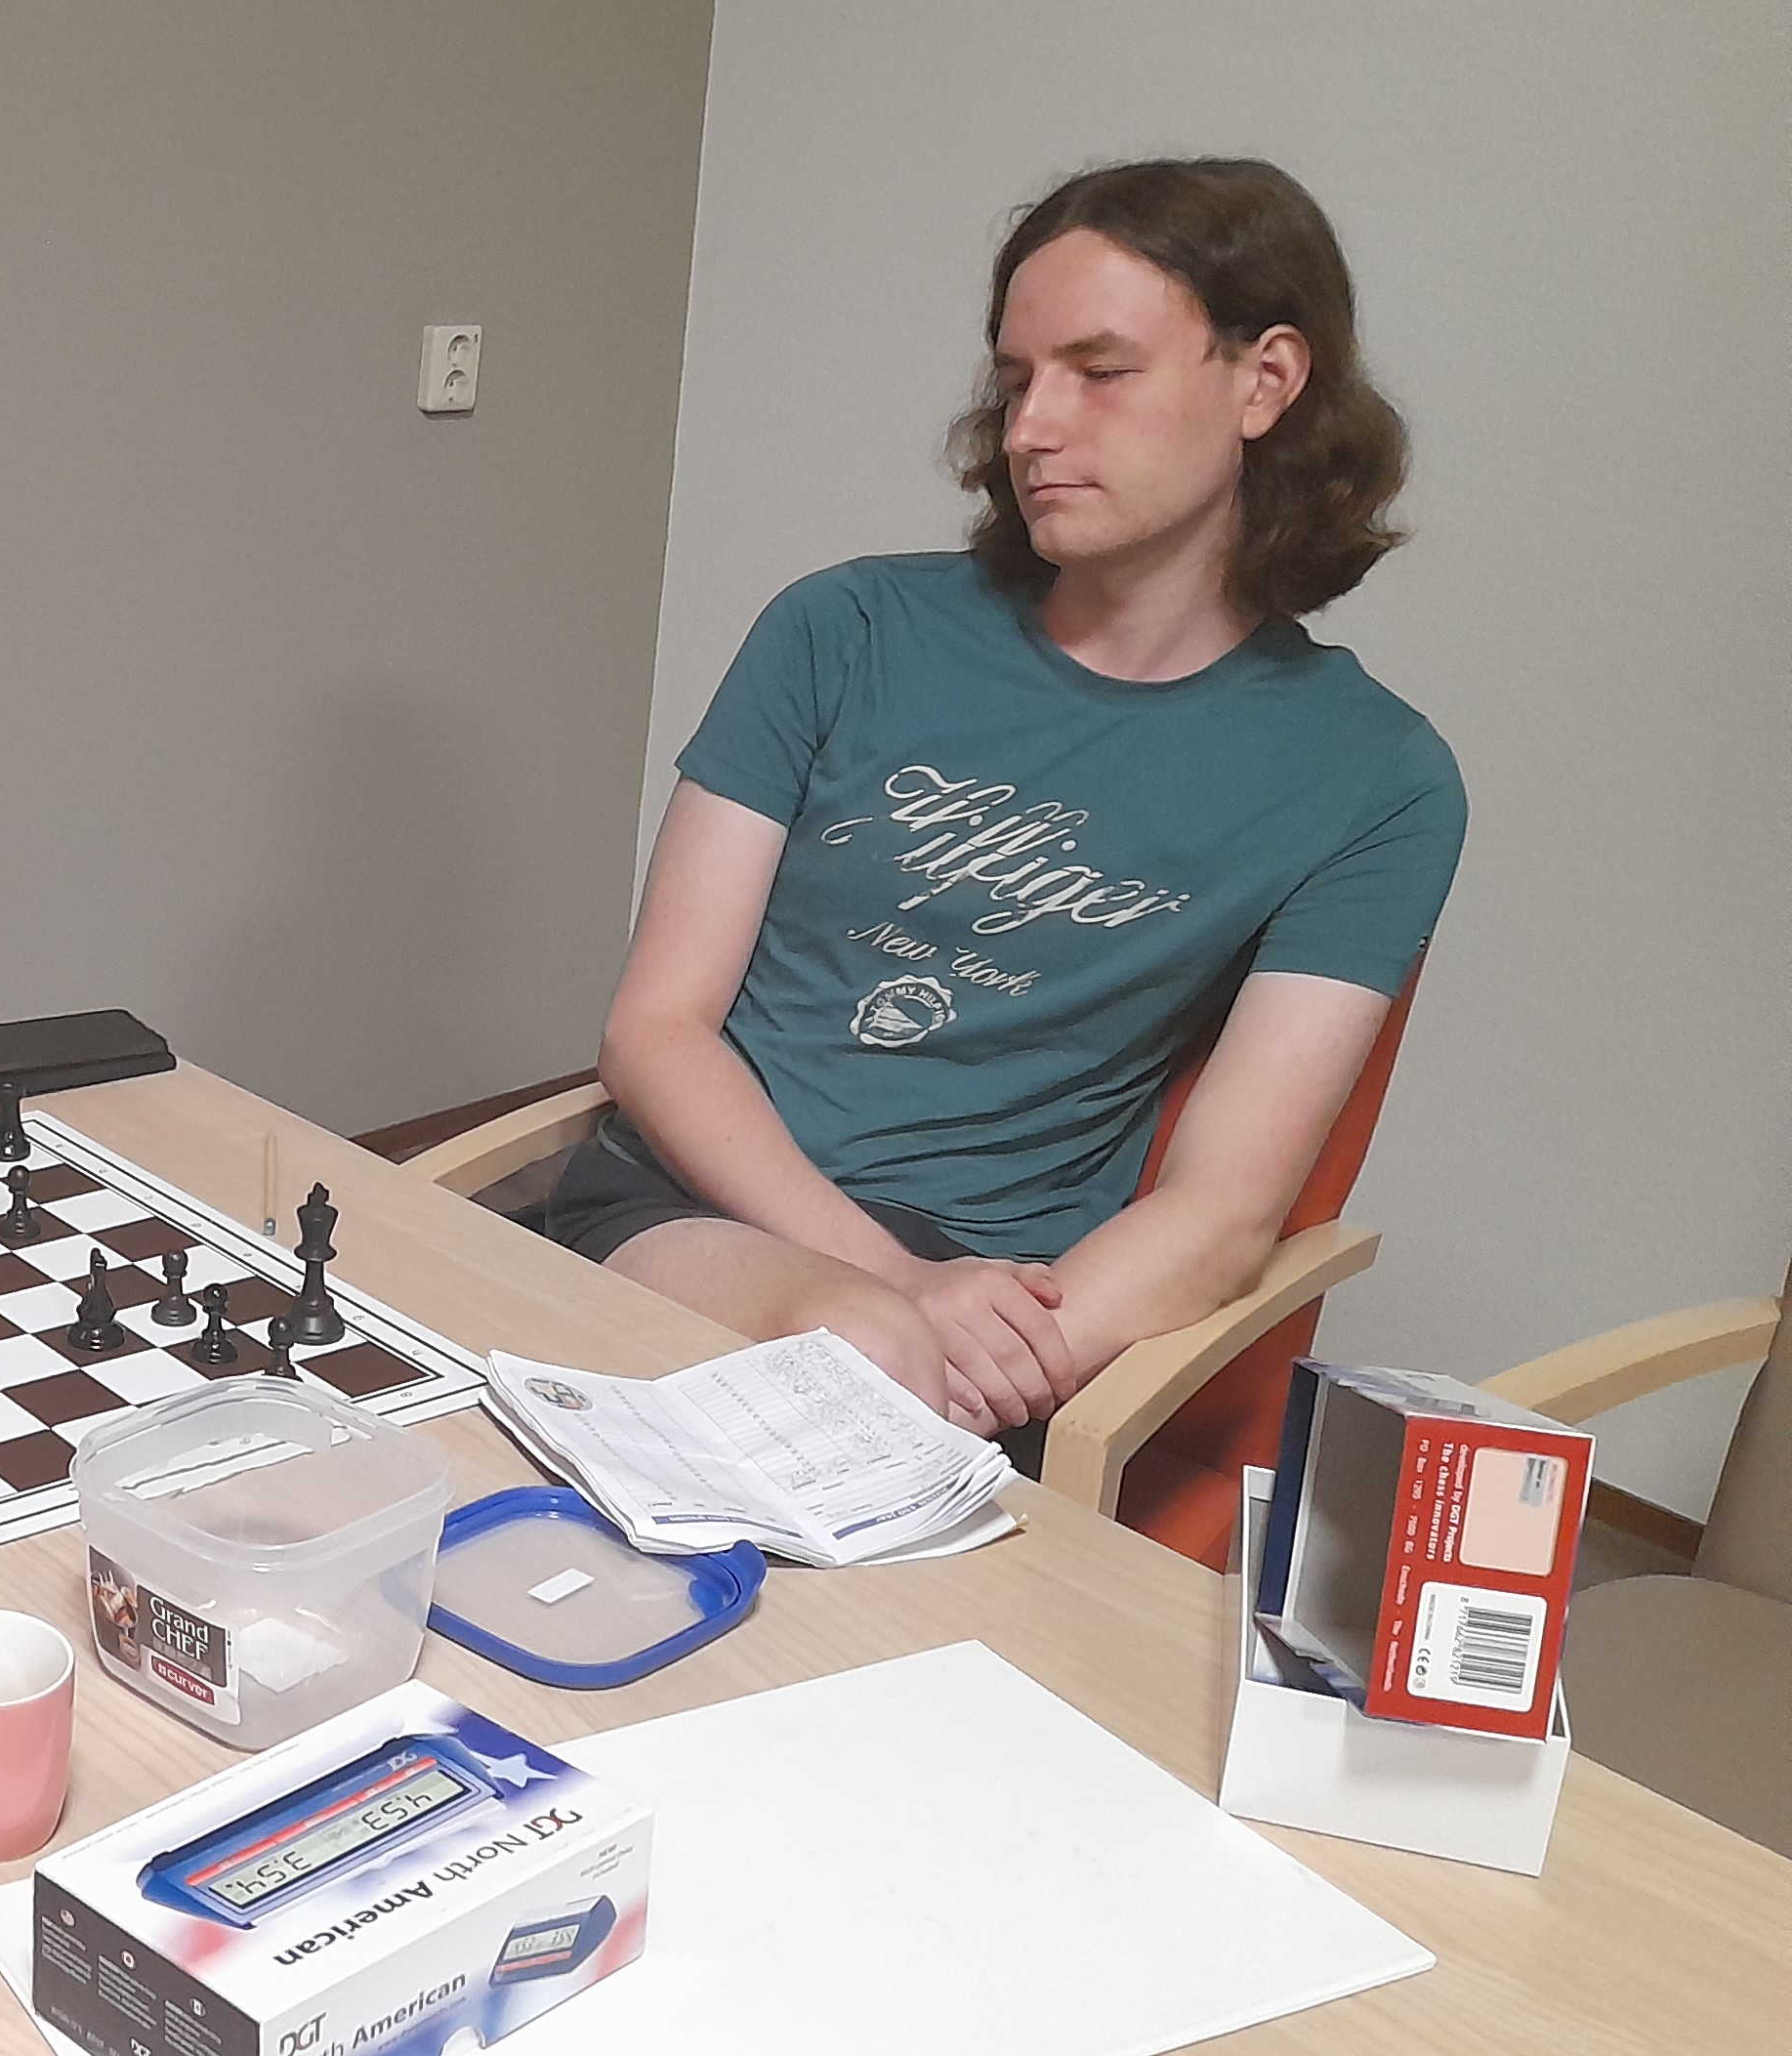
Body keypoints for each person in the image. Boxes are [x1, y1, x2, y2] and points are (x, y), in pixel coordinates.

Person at [534, 158, 1465, 1446]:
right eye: (1018, 378)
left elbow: (1223, 1212)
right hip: (709, 1209)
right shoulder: (844, 629)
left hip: (1004, 1296)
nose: (1032, 427)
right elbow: (656, 1030)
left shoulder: (1373, 776)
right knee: (850, 1353)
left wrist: (990, 1358)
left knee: (866, 1382)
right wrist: (889, 1289)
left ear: (1266, 381)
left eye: (1101, 371)